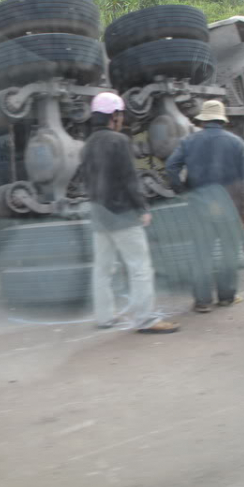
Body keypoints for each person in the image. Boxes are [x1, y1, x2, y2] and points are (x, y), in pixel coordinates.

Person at [81, 92, 179, 334]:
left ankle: (104, 317)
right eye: (121, 114)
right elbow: (129, 178)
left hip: (98, 213)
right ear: (113, 115)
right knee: (140, 267)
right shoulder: (119, 141)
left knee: (102, 268)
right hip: (122, 213)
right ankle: (144, 319)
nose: (122, 118)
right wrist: (141, 208)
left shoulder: (87, 145)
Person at [165, 100, 244, 313]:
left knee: (201, 253)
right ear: (221, 119)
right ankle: (226, 297)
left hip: (199, 207)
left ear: (203, 120)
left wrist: (183, 190)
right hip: (229, 208)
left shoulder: (189, 141)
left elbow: (171, 167)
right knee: (229, 252)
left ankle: (202, 301)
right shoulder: (236, 142)